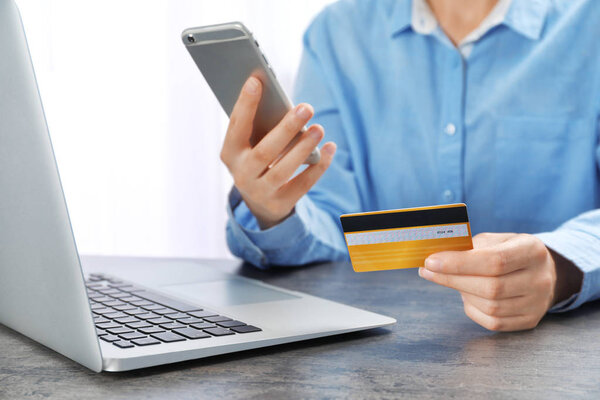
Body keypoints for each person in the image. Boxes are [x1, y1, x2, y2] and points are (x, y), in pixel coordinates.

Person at [219, 0, 599, 332]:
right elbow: (334, 226)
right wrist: (274, 212)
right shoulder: (337, 34)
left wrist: (557, 267)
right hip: (378, 348)